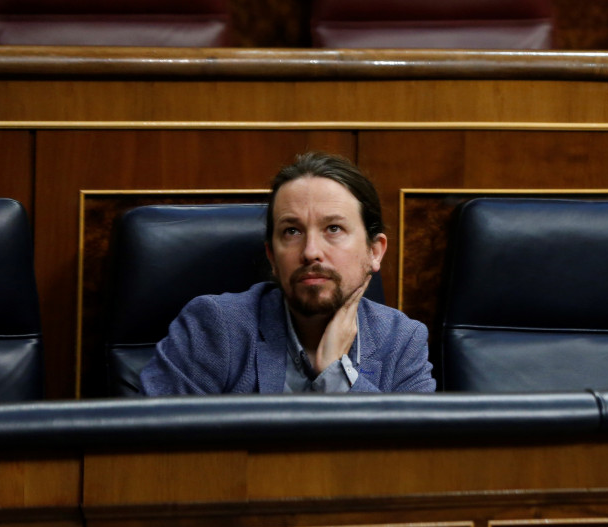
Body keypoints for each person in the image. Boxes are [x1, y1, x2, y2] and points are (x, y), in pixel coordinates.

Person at [140, 152, 435, 394]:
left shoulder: (401, 341)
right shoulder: (216, 327)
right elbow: (151, 449)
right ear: (272, 256)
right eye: (291, 231)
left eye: (334, 228)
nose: (310, 251)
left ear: (374, 251)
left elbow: (413, 459)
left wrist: (336, 373)